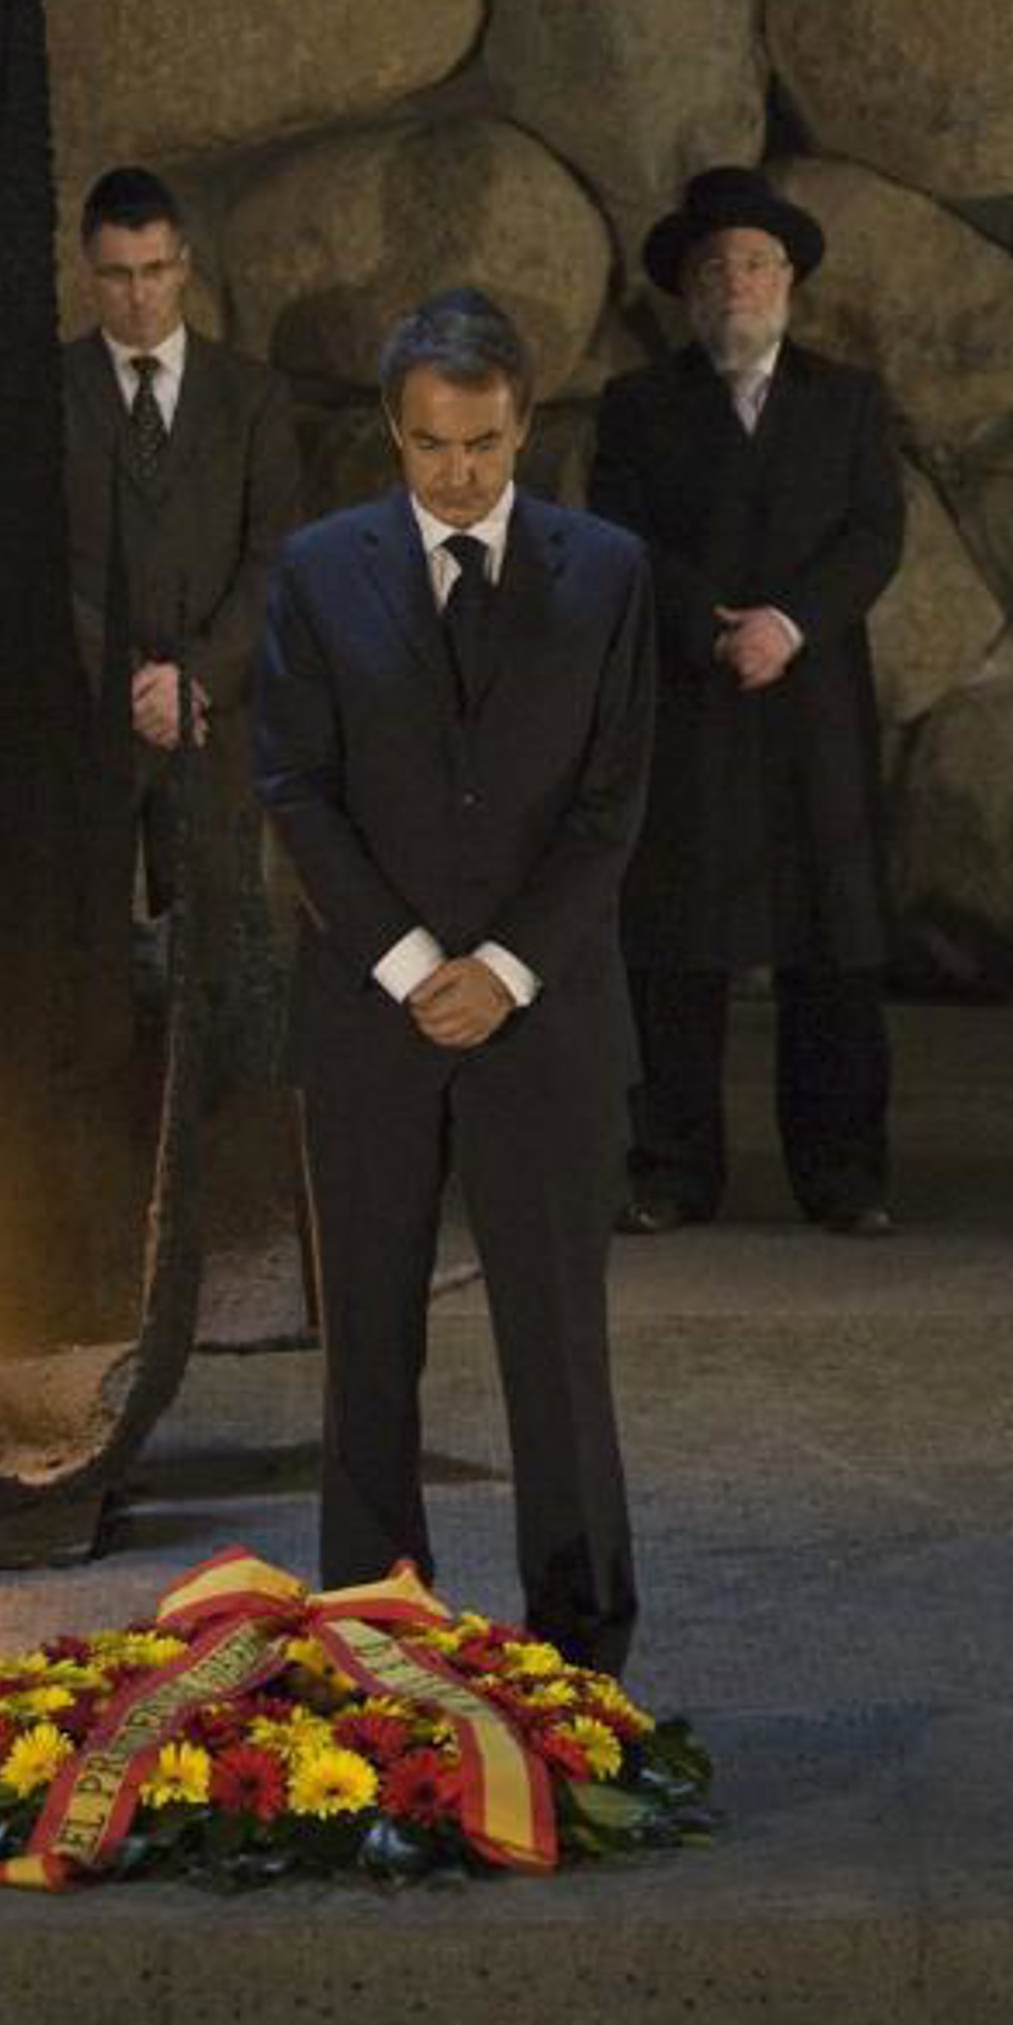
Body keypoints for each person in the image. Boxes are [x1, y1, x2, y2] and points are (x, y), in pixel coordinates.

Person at [253, 291, 655, 1669]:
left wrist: (507, 970)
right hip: (373, 1018)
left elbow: (612, 807)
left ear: (523, 425)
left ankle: (582, 1658)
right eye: (432, 445)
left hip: (548, 1021)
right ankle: (373, 1643)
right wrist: (420, 966)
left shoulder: (607, 574)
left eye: (483, 445)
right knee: (368, 1348)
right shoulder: (320, 571)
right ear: (394, 431)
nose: (459, 474)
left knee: (558, 1349)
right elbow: (295, 786)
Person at [588, 164, 906, 1238]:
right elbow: (619, 535)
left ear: (790, 282)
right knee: (675, 949)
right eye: (716, 267)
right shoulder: (640, 406)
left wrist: (790, 624)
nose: (738, 283)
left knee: (832, 946)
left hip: (812, 706)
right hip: (691, 700)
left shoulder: (848, 401)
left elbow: (875, 533)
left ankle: (845, 1175)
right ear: (688, 290)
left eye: (758, 264)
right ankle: (671, 1172)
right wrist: (712, 627)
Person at [61, 166, 300, 1021]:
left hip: (213, 722)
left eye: (155, 270)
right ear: (89, 273)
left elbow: (275, 556)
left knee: (218, 971)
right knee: (76, 960)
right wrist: (125, 680)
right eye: (118, 275)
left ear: (184, 265)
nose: (138, 296)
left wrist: (193, 678)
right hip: (87, 720)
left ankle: (216, 1104)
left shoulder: (252, 396)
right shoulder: (47, 393)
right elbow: (34, 559)